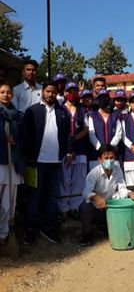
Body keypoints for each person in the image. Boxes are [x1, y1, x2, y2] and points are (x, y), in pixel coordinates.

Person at [23, 82, 73, 245]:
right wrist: (27, 156)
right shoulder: (33, 111)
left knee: (52, 197)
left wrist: (68, 151)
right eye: (48, 91)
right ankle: (30, 230)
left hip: (56, 162)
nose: (51, 94)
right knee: (34, 197)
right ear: (42, 92)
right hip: (36, 161)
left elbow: (67, 134)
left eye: (53, 92)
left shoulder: (62, 112)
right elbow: (26, 135)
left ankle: (49, 228)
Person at [79, 144, 134, 246]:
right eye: (106, 158)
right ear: (100, 160)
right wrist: (96, 198)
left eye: (111, 158)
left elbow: (121, 188)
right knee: (84, 207)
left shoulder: (117, 170)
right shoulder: (94, 173)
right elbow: (85, 192)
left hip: (109, 208)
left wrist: (129, 193)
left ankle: (105, 228)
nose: (109, 161)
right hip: (95, 208)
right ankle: (86, 235)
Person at [58, 82, 88, 220]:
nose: (73, 93)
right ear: (65, 92)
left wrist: (74, 139)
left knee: (78, 181)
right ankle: (64, 208)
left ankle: (75, 207)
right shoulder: (60, 109)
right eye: (70, 91)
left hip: (80, 149)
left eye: (75, 91)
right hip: (63, 150)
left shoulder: (82, 109)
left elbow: (86, 129)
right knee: (64, 180)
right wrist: (68, 148)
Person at [0, 83, 24, 244]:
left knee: (10, 201)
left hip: (13, 160)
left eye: (8, 92)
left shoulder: (18, 115)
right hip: (0, 161)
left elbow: (25, 137)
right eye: (2, 92)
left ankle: (5, 232)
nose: (5, 95)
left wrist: (15, 141)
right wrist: (3, 138)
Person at [87, 89, 122, 171]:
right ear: (97, 100)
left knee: (113, 181)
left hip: (112, 154)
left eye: (105, 97)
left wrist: (111, 146)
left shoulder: (115, 115)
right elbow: (91, 133)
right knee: (98, 181)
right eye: (101, 98)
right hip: (96, 156)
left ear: (109, 100)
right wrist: (100, 147)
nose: (103, 100)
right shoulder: (92, 115)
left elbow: (119, 133)